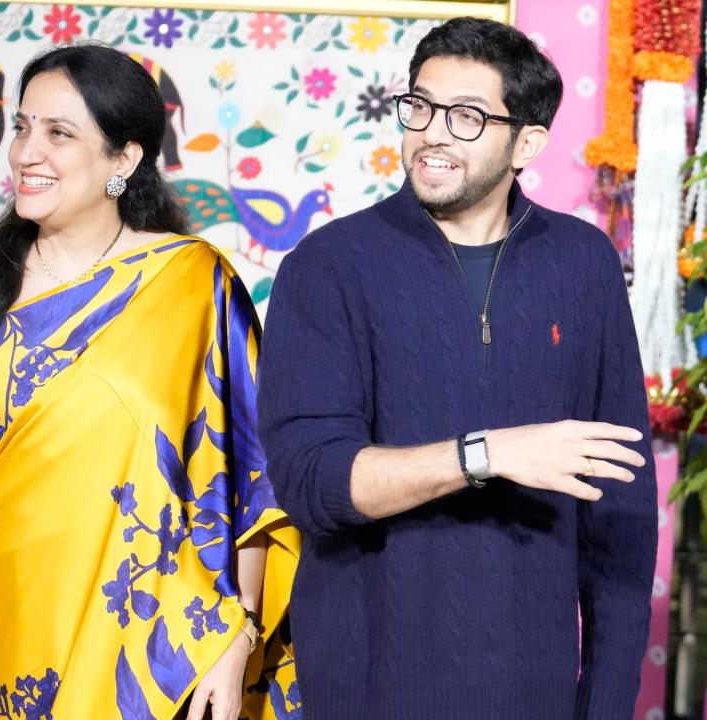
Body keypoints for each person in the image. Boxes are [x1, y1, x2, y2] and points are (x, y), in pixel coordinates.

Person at [0, 43, 298, 720]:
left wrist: (237, 638)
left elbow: (247, 482)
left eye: (60, 133)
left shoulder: (192, 285)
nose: (29, 152)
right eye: (23, 127)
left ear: (125, 158)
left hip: (147, 643)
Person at [257, 17, 657, 720]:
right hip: (365, 691)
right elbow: (312, 484)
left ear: (526, 142)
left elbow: (620, 521)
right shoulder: (327, 267)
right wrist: (487, 454)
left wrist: (605, 706)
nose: (433, 132)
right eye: (421, 106)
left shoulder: (583, 264)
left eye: (467, 116)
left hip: (536, 694)